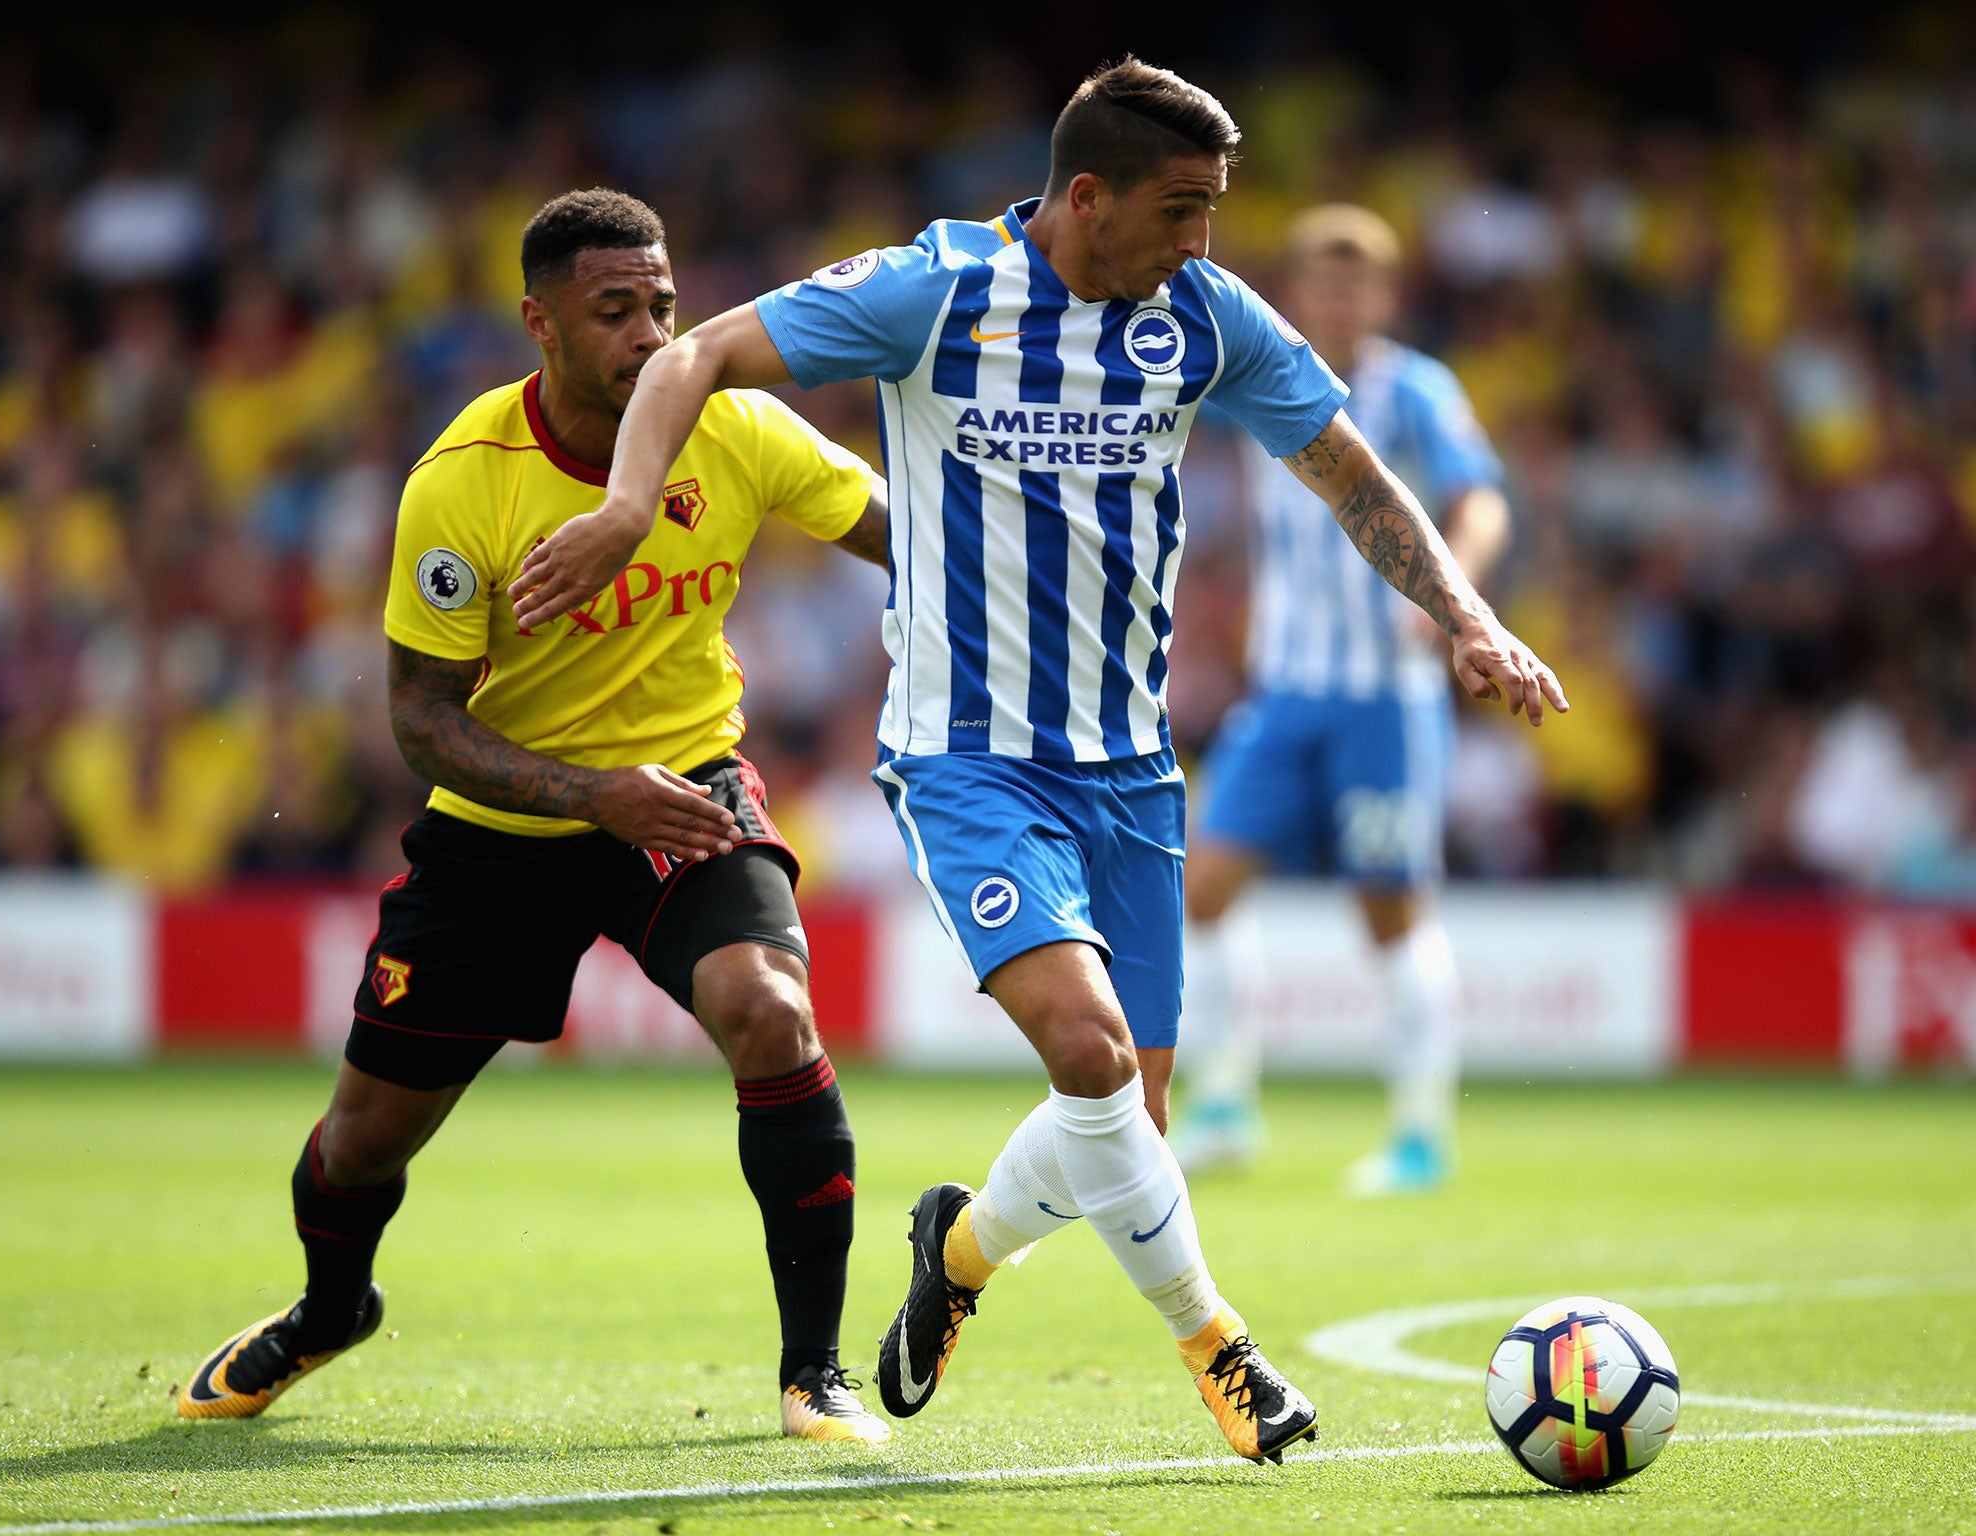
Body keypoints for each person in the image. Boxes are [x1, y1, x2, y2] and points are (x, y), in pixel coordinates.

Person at [511, 61, 1565, 1465]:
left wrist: (1471, 616)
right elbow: (697, 353)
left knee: (1131, 1107)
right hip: (970, 760)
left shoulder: (1200, 315)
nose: (1202, 241)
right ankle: (1223, 1351)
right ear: (1087, 197)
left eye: (1215, 212)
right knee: (1092, 1051)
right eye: (1182, 210)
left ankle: (960, 1256)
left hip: (1131, 771)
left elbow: (1353, 473)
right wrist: (632, 505)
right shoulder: (936, 291)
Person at [177, 189, 895, 1445]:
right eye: (613, 309)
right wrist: (584, 795)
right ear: (539, 324)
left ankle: (812, 1372)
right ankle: (329, 1309)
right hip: (500, 834)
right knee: (359, 1145)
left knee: (771, 1012)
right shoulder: (463, 483)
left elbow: (914, 543)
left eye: (661, 305)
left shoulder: (734, 427)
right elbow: (422, 724)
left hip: (684, 795)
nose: (648, 333)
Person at [1171, 204, 1511, 1195]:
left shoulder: (1413, 391)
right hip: (1283, 690)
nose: (1338, 300)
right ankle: (1225, 1105)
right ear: (1297, 290)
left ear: (1385, 296)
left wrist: (1455, 601)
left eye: (1356, 285)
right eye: (1322, 283)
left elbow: (1479, 496)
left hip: (1384, 698)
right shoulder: (1257, 373)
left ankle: (1417, 1135)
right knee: (1202, 888)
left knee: (1387, 912)